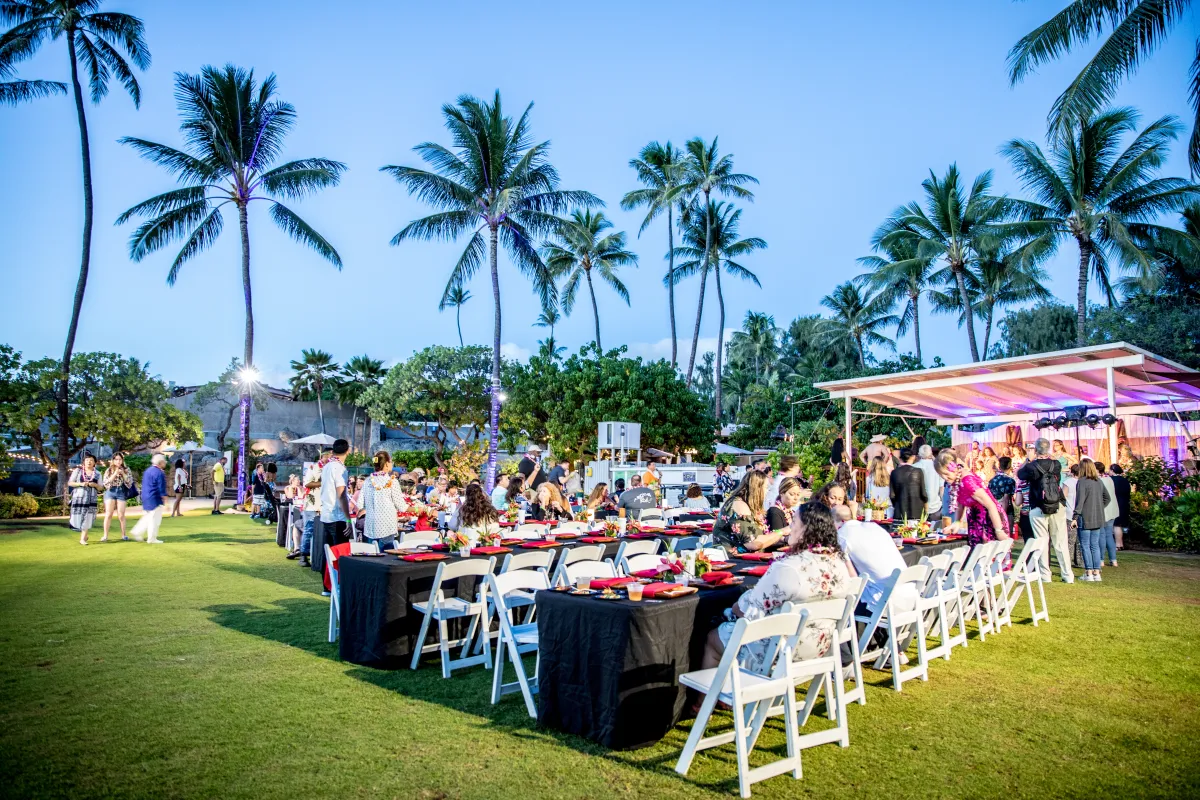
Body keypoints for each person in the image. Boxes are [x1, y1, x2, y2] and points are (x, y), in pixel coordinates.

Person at [702, 502, 851, 671]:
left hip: (780, 653)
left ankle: (706, 697)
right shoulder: (838, 562)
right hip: (818, 649)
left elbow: (749, 611)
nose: (789, 527)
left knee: (714, 638)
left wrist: (734, 608)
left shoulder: (788, 568)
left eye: (794, 522)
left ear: (805, 531)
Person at [834, 504, 918, 625]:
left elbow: (853, 578)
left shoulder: (842, 536)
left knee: (847, 599)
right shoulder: (874, 527)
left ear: (839, 522)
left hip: (884, 602)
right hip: (910, 595)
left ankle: (851, 640)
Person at [1018, 438, 1073, 583]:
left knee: (1042, 541)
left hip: (1038, 505)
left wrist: (1028, 460)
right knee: (1060, 541)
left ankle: (1045, 575)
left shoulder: (1031, 466)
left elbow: (1019, 474)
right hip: (1057, 503)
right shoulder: (1056, 464)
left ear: (1035, 450)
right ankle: (1067, 575)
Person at [942, 453, 1009, 548]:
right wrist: (957, 522)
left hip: (989, 520)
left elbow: (991, 505)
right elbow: (961, 502)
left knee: (989, 556)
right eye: (941, 475)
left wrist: (999, 530)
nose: (944, 478)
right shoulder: (957, 480)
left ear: (953, 469)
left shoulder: (968, 482)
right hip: (976, 519)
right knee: (977, 555)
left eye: (945, 473)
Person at [712, 471, 781, 553]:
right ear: (757, 489)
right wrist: (781, 532)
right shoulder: (739, 505)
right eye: (765, 487)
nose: (767, 491)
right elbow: (754, 544)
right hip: (732, 560)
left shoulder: (744, 503)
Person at [359, 451, 407, 552]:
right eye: (391, 462)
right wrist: (420, 509)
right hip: (387, 527)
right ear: (386, 464)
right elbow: (402, 506)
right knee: (385, 559)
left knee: (371, 559)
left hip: (370, 527)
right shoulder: (392, 481)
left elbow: (360, 504)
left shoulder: (367, 481)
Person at [1073, 459, 1111, 583]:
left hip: (1085, 517)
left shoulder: (1082, 482)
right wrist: (1098, 507)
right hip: (1098, 517)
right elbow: (1107, 498)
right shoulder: (1098, 481)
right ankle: (1096, 572)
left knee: (1085, 545)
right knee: (1094, 545)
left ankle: (1088, 572)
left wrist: (1075, 517)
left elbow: (1080, 501)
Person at [296, 449, 329, 567]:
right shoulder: (313, 468)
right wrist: (324, 482)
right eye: (329, 455)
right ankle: (303, 555)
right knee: (309, 529)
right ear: (323, 456)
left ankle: (319, 555)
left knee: (323, 531)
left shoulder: (332, 469)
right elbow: (307, 483)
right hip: (312, 504)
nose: (331, 458)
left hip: (326, 505)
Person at [319, 439, 352, 547]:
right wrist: (348, 518)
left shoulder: (327, 466)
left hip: (326, 515)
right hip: (337, 517)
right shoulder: (339, 468)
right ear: (348, 451)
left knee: (329, 554)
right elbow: (341, 494)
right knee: (339, 553)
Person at [130, 454, 169, 544]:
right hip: (154, 497)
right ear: (161, 462)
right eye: (164, 462)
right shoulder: (159, 473)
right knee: (154, 519)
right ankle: (151, 538)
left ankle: (137, 531)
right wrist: (166, 500)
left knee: (148, 516)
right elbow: (161, 488)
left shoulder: (148, 471)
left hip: (146, 496)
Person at [69, 453, 103, 545]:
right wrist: (80, 484)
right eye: (87, 460)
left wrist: (95, 485)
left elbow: (101, 488)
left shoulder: (97, 473)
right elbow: (70, 483)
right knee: (78, 516)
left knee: (88, 517)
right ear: (84, 462)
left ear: (94, 463)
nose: (89, 462)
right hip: (79, 498)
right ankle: (84, 535)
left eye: (91, 460)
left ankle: (83, 539)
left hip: (91, 498)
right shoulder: (78, 471)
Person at [101, 453, 136, 542]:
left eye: (120, 459)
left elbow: (129, 482)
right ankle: (105, 535)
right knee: (109, 514)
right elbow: (106, 483)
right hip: (111, 491)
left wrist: (123, 473)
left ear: (122, 460)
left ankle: (124, 535)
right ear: (113, 460)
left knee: (121, 515)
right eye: (116, 459)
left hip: (121, 491)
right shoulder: (109, 470)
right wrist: (115, 473)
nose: (118, 461)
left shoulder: (127, 469)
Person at [888, 447, 927, 522]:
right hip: (917, 512)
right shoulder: (918, 471)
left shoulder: (894, 473)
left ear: (900, 458)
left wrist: (896, 504)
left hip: (900, 512)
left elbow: (892, 495)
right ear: (912, 457)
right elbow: (923, 494)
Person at [1096, 462, 1120, 567]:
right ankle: (1113, 559)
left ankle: (1101, 559)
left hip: (1104, 511)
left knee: (1102, 535)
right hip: (1112, 510)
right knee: (1109, 535)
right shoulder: (1109, 479)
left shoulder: (1099, 481)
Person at [913, 445, 944, 523]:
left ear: (919, 454)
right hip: (936, 506)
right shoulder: (937, 467)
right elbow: (941, 488)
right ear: (930, 453)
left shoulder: (914, 467)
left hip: (919, 507)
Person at [988, 456, 1017, 533]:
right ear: (1009, 466)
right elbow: (1006, 499)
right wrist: (1003, 516)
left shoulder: (992, 480)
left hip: (993, 509)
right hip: (1006, 510)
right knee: (1006, 535)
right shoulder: (1010, 480)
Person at [1109, 464, 1132, 552]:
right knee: (1120, 524)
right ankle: (1121, 543)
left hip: (1115, 503)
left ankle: (1118, 544)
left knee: (1116, 525)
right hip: (1124, 504)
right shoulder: (1125, 480)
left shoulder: (1112, 480)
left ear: (1113, 470)